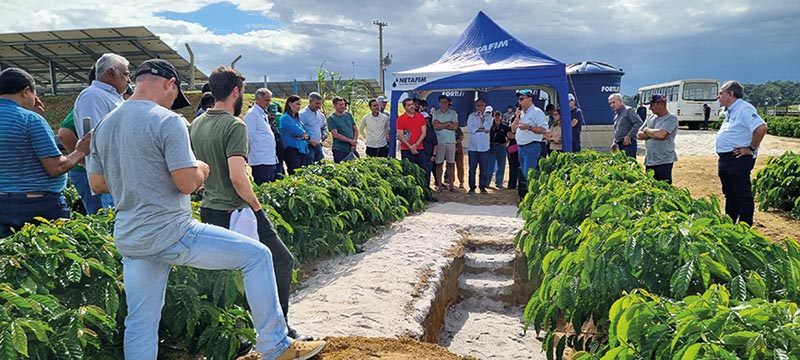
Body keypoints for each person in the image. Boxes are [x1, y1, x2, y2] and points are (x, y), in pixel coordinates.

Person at [87, 59, 325, 359]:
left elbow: (96, 183)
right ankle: (276, 345)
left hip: (131, 237)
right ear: (169, 84)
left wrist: (139, 177)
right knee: (258, 256)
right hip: (172, 231)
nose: (174, 102)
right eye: (175, 95)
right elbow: (186, 183)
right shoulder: (167, 120)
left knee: (141, 321)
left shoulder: (106, 124)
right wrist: (200, 169)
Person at [190, 71, 311, 344]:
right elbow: (237, 175)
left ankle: (227, 337)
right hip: (237, 209)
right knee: (281, 259)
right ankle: (281, 328)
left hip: (210, 209)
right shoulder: (235, 126)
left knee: (220, 274)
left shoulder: (196, 124)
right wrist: (256, 206)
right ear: (236, 91)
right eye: (243, 90)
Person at [0, 67, 91, 237]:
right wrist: (80, 150)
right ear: (26, 91)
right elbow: (55, 168)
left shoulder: (27, 118)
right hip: (37, 206)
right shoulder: (30, 120)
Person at [74, 53, 130, 209]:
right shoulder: (93, 96)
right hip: (107, 178)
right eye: (125, 74)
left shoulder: (111, 97)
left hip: (118, 177)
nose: (128, 79)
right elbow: (95, 136)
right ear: (111, 72)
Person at [715, 80, 767, 226]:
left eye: (721, 93)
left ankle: (745, 227)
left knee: (742, 195)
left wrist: (750, 149)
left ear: (730, 94)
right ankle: (730, 225)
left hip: (738, 159)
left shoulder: (744, 109)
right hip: (726, 158)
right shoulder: (731, 110)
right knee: (730, 195)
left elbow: (761, 128)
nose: (718, 96)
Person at [57, 66, 101, 214]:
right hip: (83, 172)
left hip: (89, 171)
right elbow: (64, 132)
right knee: (99, 216)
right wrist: (82, 160)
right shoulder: (89, 100)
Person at [637, 94, 678, 183]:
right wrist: (654, 133)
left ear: (661, 104)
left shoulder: (671, 118)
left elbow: (661, 135)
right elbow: (639, 135)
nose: (650, 108)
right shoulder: (651, 117)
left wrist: (647, 130)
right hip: (650, 160)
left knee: (664, 187)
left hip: (664, 160)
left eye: (652, 105)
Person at [243, 88, 279, 184]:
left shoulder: (262, 113)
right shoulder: (252, 114)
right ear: (258, 99)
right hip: (260, 160)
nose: (268, 103)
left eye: (270, 100)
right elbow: (249, 137)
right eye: (266, 100)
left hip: (269, 158)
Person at [511, 89, 548, 180]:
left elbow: (544, 129)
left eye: (522, 99)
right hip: (521, 147)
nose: (519, 101)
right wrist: (517, 117)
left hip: (531, 147)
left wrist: (529, 127)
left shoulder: (537, 112)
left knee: (529, 175)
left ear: (530, 99)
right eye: (519, 99)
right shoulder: (521, 113)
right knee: (524, 175)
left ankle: (531, 193)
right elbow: (513, 129)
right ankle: (527, 192)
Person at [432, 94, 459, 192]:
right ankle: (439, 185)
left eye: (446, 102)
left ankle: (451, 185)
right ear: (439, 103)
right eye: (442, 102)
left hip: (451, 141)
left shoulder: (453, 113)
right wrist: (448, 123)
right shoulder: (436, 114)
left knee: (451, 164)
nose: (444, 104)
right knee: (439, 164)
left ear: (448, 103)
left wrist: (441, 124)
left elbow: (455, 127)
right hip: (439, 142)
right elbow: (435, 126)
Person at [467, 99, 492, 193]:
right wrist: (482, 130)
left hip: (484, 147)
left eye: (481, 105)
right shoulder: (471, 116)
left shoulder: (489, 116)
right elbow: (471, 128)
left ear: (484, 106)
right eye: (478, 105)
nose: (479, 107)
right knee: (472, 169)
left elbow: (487, 127)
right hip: (473, 147)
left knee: (484, 169)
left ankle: (482, 186)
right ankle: (472, 187)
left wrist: (482, 118)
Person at [280, 95, 310, 175]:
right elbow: (298, 131)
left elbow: (307, 132)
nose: (299, 106)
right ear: (290, 104)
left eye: (300, 104)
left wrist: (303, 136)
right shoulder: (285, 118)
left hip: (302, 150)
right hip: (292, 150)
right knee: (295, 174)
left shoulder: (297, 119)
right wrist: (302, 135)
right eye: (297, 104)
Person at [396, 98, 427, 171]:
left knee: (422, 171)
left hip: (419, 148)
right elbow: (400, 135)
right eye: (409, 105)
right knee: (408, 171)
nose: (412, 106)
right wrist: (410, 147)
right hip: (406, 149)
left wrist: (416, 145)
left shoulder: (420, 117)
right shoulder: (401, 119)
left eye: (412, 104)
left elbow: (424, 132)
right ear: (404, 107)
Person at [609, 93, 643, 158]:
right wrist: (614, 142)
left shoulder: (628, 110)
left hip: (628, 144)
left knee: (629, 164)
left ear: (620, 101)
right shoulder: (617, 113)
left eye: (613, 102)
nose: (611, 105)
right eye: (610, 103)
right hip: (620, 144)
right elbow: (618, 129)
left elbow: (639, 122)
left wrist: (629, 136)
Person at [299, 92, 328, 164]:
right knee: (308, 165)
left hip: (318, 145)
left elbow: (323, 127)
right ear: (310, 102)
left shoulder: (320, 115)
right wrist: (310, 140)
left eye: (320, 104)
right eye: (317, 103)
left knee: (321, 165)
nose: (319, 106)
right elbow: (299, 131)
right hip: (307, 146)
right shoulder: (303, 114)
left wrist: (324, 134)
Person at [327, 96, 358, 163]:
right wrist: (350, 141)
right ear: (335, 106)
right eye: (340, 105)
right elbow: (335, 134)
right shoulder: (331, 118)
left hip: (351, 148)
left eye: (343, 104)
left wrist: (354, 143)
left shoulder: (349, 115)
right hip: (340, 149)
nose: (343, 106)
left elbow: (355, 129)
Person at [489, 109, 510, 188]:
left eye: (498, 116)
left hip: (501, 146)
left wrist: (506, 143)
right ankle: (487, 182)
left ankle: (499, 182)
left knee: (501, 165)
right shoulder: (490, 125)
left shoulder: (504, 126)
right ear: (494, 117)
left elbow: (509, 134)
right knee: (490, 165)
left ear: (501, 117)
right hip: (492, 145)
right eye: (496, 116)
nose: (497, 117)